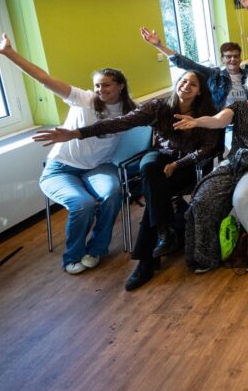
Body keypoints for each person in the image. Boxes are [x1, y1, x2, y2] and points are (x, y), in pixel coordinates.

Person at [34, 71, 220, 291]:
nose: (186, 86)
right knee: (149, 167)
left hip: (189, 165)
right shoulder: (159, 107)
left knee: (154, 196)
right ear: (177, 83)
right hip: (161, 158)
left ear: (200, 91)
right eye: (183, 81)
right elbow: (119, 123)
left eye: (193, 84)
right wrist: (76, 133)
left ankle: (147, 260)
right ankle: (164, 232)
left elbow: (207, 149)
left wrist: (178, 164)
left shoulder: (208, 113)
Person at [0, 33, 134, 275]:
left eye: (106, 85)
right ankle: (72, 256)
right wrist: (8, 52)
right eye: (97, 85)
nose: (100, 89)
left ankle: (96, 249)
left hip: (99, 166)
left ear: (120, 86)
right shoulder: (84, 99)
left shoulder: (130, 111)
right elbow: (43, 78)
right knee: (82, 204)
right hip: (61, 168)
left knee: (113, 193)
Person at [175, 69, 248, 274]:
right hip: (235, 160)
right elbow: (219, 120)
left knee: (241, 198)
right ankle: (207, 254)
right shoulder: (238, 107)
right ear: (247, 86)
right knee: (202, 199)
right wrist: (197, 122)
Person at [140, 27, 248, 109]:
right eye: (228, 57)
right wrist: (159, 46)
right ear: (222, 59)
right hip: (223, 123)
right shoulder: (214, 75)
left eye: (236, 56)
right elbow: (188, 64)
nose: (233, 59)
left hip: (247, 120)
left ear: (240, 58)